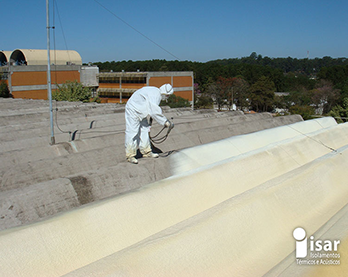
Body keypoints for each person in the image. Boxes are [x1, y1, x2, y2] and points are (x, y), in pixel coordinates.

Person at [125, 84, 174, 164]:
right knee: (132, 131)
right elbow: (154, 111)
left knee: (144, 130)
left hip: (141, 111)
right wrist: (165, 121)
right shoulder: (156, 94)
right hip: (133, 110)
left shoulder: (155, 92)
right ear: (166, 93)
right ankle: (130, 155)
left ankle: (146, 151)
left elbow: (151, 108)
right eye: (168, 95)